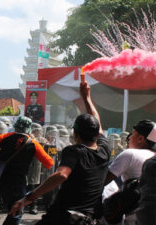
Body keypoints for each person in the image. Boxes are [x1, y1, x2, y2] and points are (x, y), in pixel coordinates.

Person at [10, 81, 110, 225]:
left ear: (75, 133)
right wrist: (86, 97)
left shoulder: (74, 151)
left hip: (63, 217)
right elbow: (97, 124)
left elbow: (62, 174)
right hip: (88, 220)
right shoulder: (104, 150)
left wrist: (28, 198)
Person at [0, 116, 54, 225]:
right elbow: (49, 163)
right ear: (29, 128)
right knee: (16, 209)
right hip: (17, 182)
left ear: (15, 126)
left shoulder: (4, 137)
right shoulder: (34, 144)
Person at [104, 120, 156, 225]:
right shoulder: (153, 157)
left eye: (132, 134)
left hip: (135, 216)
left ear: (140, 139)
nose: (129, 138)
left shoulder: (130, 154)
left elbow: (102, 181)